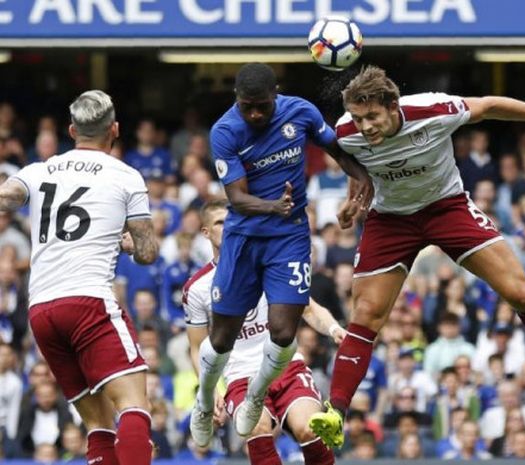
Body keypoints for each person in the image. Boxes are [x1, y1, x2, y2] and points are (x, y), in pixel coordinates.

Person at [309, 65, 525, 448]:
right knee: (365, 316)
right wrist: (352, 198)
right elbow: (354, 157)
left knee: (523, 294)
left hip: (447, 208)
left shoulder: (433, 111)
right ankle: (336, 412)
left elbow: (491, 105)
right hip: (391, 220)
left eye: (373, 117)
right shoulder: (347, 130)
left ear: (393, 106)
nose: (365, 126)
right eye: (359, 118)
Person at [190, 62, 372, 444]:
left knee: (284, 331)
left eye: (262, 106)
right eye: (246, 106)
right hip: (245, 239)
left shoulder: (300, 111)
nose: (254, 113)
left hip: (289, 236)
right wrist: (273, 206)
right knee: (221, 339)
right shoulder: (225, 131)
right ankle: (205, 399)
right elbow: (236, 198)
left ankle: (257, 394)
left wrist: (360, 176)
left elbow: (334, 147)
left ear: (276, 94)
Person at [0, 90, 158, 465]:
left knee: (98, 423)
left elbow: (6, 197)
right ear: (115, 129)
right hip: (88, 301)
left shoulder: (38, 170)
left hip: (41, 311)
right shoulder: (126, 176)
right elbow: (148, 252)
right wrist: (126, 244)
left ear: (72, 130)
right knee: (135, 407)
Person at [184, 199, 346, 465]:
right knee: (257, 430)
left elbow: (308, 308)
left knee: (309, 428)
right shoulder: (197, 288)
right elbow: (197, 345)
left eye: (232, 221)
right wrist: (209, 387)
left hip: (287, 369)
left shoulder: (269, 267)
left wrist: (333, 328)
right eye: (219, 223)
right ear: (206, 232)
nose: (228, 228)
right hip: (239, 378)